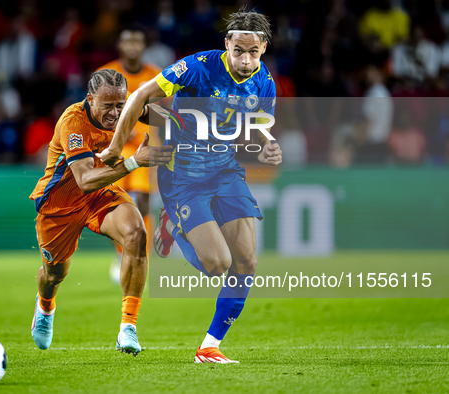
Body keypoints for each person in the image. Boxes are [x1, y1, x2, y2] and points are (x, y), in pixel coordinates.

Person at [97, 9, 283, 363]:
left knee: (246, 262)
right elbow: (138, 99)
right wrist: (114, 149)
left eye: (253, 53)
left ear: (263, 49)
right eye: (238, 50)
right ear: (226, 43)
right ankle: (171, 224)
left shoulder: (265, 82)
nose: (245, 60)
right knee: (217, 263)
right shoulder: (197, 67)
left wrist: (268, 142)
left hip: (225, 170)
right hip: (182, 175)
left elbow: (258, 121)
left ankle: (209, 346)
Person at [29, 69, 172, 355]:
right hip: (60, 203)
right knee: (55, 273)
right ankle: (45, 307)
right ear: (90, 99)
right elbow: (83, 181)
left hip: (100, 194)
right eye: (108, 106)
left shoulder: (125, 108)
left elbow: (164, 117)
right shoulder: (73, 122)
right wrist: (134, 162)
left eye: (121, 105)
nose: (116, 113)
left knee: (136, 233)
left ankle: (127, 328)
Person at [97, 27, 162, 284]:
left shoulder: (155, 75)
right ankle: (121, 254)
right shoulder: (106, 74)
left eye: (138, 40)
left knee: (143, 202)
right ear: (120, 45)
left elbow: (167, 111)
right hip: (116, 146)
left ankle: (141, 259)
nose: (133, 45)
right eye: (128, 40)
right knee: (114, 204)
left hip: (146, 146)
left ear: (144, 45)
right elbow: (96, 111)